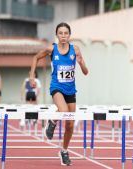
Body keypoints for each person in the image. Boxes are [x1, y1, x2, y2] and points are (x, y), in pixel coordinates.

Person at [29, 22, 88, 166]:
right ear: (57, 35)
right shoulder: (51, 49)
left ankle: (64, 151)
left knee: (69, 124)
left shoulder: (76, 49)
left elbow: (86, 72)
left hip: (70, 90)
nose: (63, 36)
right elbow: (35, 58)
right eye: (60, 33)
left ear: (69, 35)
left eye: (66, 33)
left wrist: (80, 63)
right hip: (56, 87)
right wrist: (31, 76)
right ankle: (53, 120)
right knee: (63, 111)